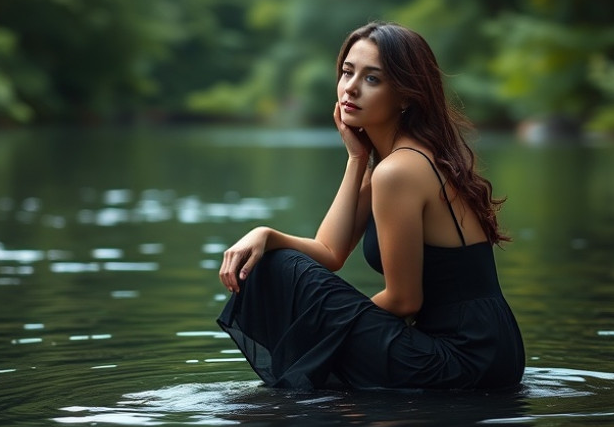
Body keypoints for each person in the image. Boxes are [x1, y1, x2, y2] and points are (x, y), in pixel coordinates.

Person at [217, 21, 524, 390]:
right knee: (272, 258)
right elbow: (329, 252)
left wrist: (322, 335)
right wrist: (266, 233)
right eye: (348, 72)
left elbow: (405, 301)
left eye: (372, 79)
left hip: (462, 360)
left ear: (406, 96)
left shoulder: (399, 171)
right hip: (492, 353)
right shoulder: (392, 164)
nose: (351, 87)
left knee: (276, 270)